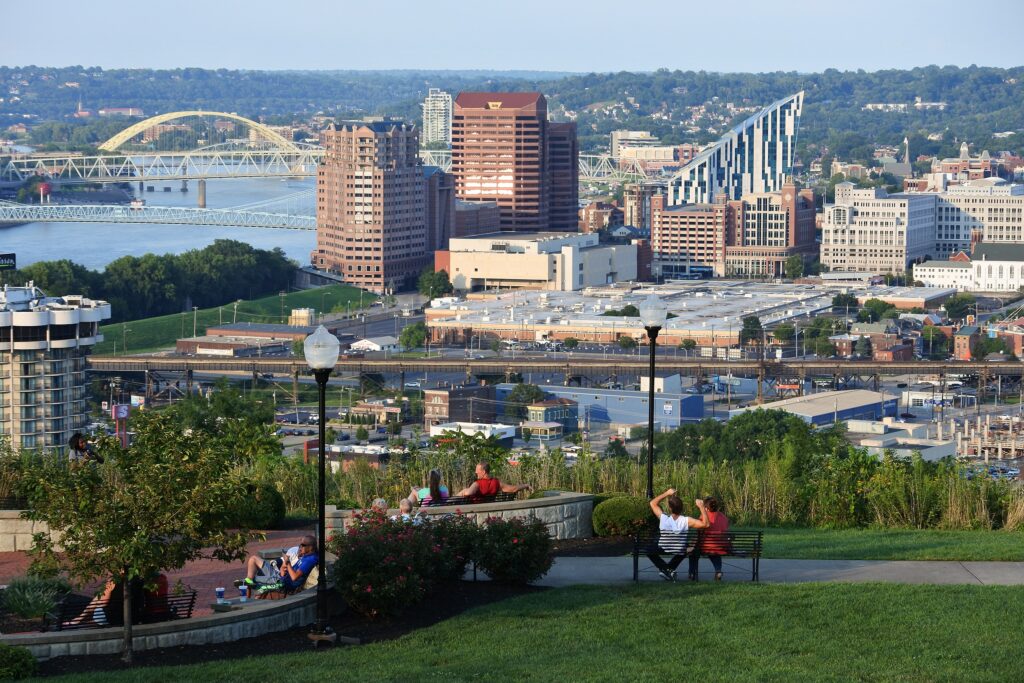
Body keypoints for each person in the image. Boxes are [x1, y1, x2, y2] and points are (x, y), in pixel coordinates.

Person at [646, 488, 709, 582]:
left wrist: (666, 493)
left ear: (670, 508)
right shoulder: (687, 520)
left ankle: (666, 569)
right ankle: (668, 569)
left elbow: (652, 503)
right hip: (680, 549)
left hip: (663, 547)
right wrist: (701, 507)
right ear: (682, 508)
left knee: (648, 550)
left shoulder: (663, 518)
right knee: (686, 549)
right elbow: (706, 524)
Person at [236, 535, 318, 594]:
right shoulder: (306, 556)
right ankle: (248, 581)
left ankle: (249, 583)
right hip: (280, 576)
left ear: (310, 548)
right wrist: (283, 568)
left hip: (282, 583)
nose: (300, 547)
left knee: (251, 580)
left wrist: (288, 562)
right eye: (300, 544)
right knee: (253, 559)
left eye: (303, 545)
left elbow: (294, 577)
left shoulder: (310, 560)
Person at [688, 496, 729, 581]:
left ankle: (692, 573)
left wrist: (692, 544)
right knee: (715, 553)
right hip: (721, 546)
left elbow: (698, 533)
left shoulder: (704, 516)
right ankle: (718, 571)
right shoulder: (723, 517)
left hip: (707, 546)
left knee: (693, 553)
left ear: (706, 508)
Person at [455, 462, 531, 501]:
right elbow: (514, 489)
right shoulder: (497, 483)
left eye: (477, 470)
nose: (476, 472)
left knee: (464, 491)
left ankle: (447, 502)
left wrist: (464, 491)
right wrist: (526, 485)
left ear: (484, 471)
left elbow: (469, 493)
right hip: (489, 506)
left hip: (476, 509)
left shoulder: (477, 484)